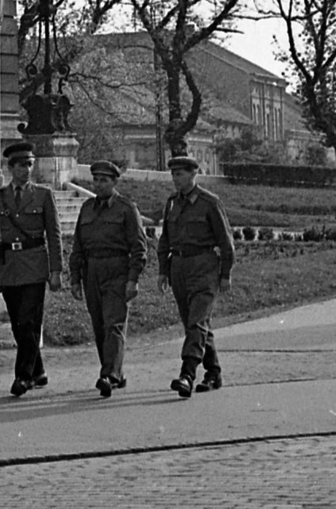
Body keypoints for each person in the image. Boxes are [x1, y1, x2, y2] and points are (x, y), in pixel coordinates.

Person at [0, 140, 63, 396]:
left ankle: (23, 377)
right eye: (22, 165)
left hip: (35, 264)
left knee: (28, 320)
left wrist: (55, 271)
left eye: (30, 164)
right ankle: (39, 370)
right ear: (10, 168)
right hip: (8, 266)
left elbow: (54, 235)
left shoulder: (44, 195)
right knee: (18, 324)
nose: (27, 170)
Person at [156, 154, 236, 398]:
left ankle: (187, 374)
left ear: (193, 175)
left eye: (179, 174)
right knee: (196, 323)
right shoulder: (172, 202)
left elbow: (226, 243)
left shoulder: (209, 202)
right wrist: (163, 270)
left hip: (204, 267)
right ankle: (213, 371)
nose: (175, 179)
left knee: (197, 322)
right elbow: (165, 239)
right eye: (173, 174)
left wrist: (225, 274)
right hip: (179, 267)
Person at [68, 160, 148, 398]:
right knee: (100, 326)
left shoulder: (126, 208)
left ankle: (108, 375)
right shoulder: (86, 208)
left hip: (117, 270)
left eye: (104, 180)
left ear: (114, 182)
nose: (99, 184)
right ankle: (116, 373)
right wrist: (74, 279)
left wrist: (133, 279)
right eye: (96, 180)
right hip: (91, 271)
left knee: (114, 323)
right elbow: (78, 247)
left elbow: (139, 247)